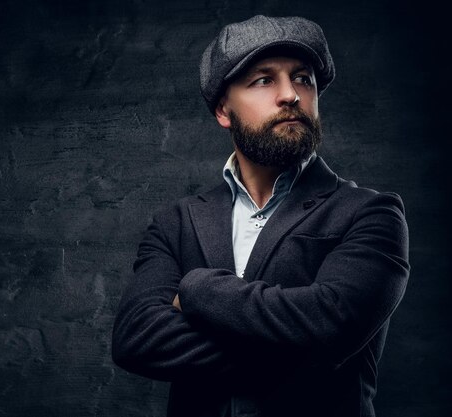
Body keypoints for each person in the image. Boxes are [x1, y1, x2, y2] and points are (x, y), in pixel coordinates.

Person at [112, 15, 409, 417]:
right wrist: (292, 342)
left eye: (303, 79)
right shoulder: (175, 223)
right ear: (223, 110)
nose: (291, 95)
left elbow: (332, 328)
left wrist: (198, 288)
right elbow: (137, 340)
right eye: (263, 80)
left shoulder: (370, 213)